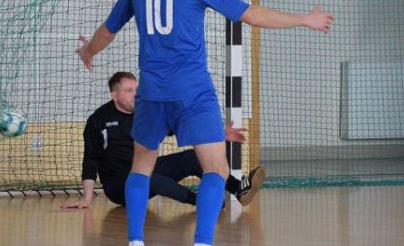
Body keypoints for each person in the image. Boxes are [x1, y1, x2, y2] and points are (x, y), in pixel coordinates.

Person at [76, 0, 332, 246]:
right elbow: (251, 14)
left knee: (141, 167)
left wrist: (88, 52)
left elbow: (108, 30)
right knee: (216, 168)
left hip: (152, 93)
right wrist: (304, 19)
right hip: (193, 92)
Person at [60, 71, 264, 210]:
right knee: (147, 178)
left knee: (193, 157)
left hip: (145, 167)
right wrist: (87, 198)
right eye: (129, 91)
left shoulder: (147, 112)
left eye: (137, 90)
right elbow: (91, 160)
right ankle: (202, 202)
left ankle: (238, 189)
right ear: (115, 95)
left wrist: (218, 134)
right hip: (118, 185)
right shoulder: (98, 120)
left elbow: (182, 127)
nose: (136, 95)